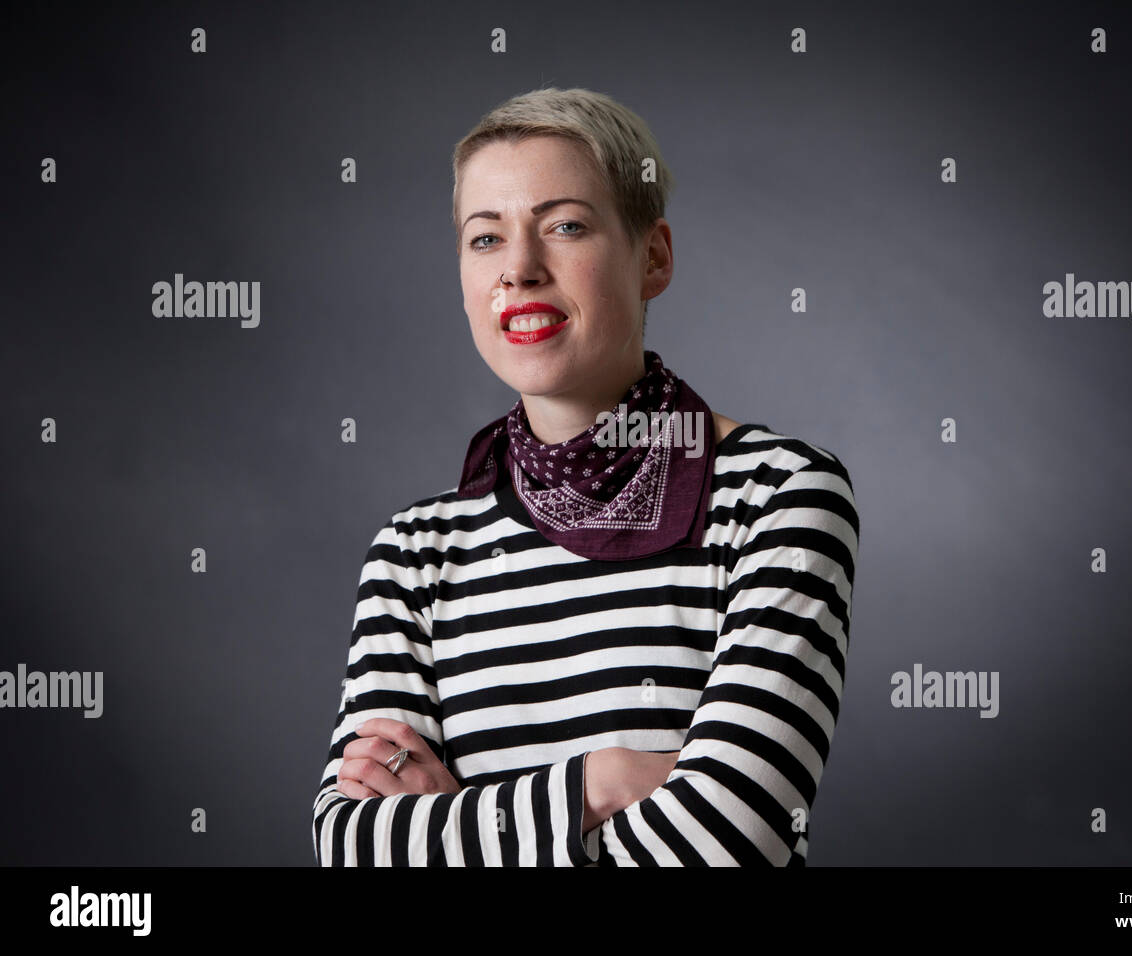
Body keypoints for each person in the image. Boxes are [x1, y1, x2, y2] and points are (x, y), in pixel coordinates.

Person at [311, 87, 859, 865]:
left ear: (653, 256)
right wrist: (596, 784)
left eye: (565, 226)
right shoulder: (414, 551)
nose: (520, 270)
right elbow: (349, 845)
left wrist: (455, 825)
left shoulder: (780, 495)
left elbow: (732, 838)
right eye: (485, 238)